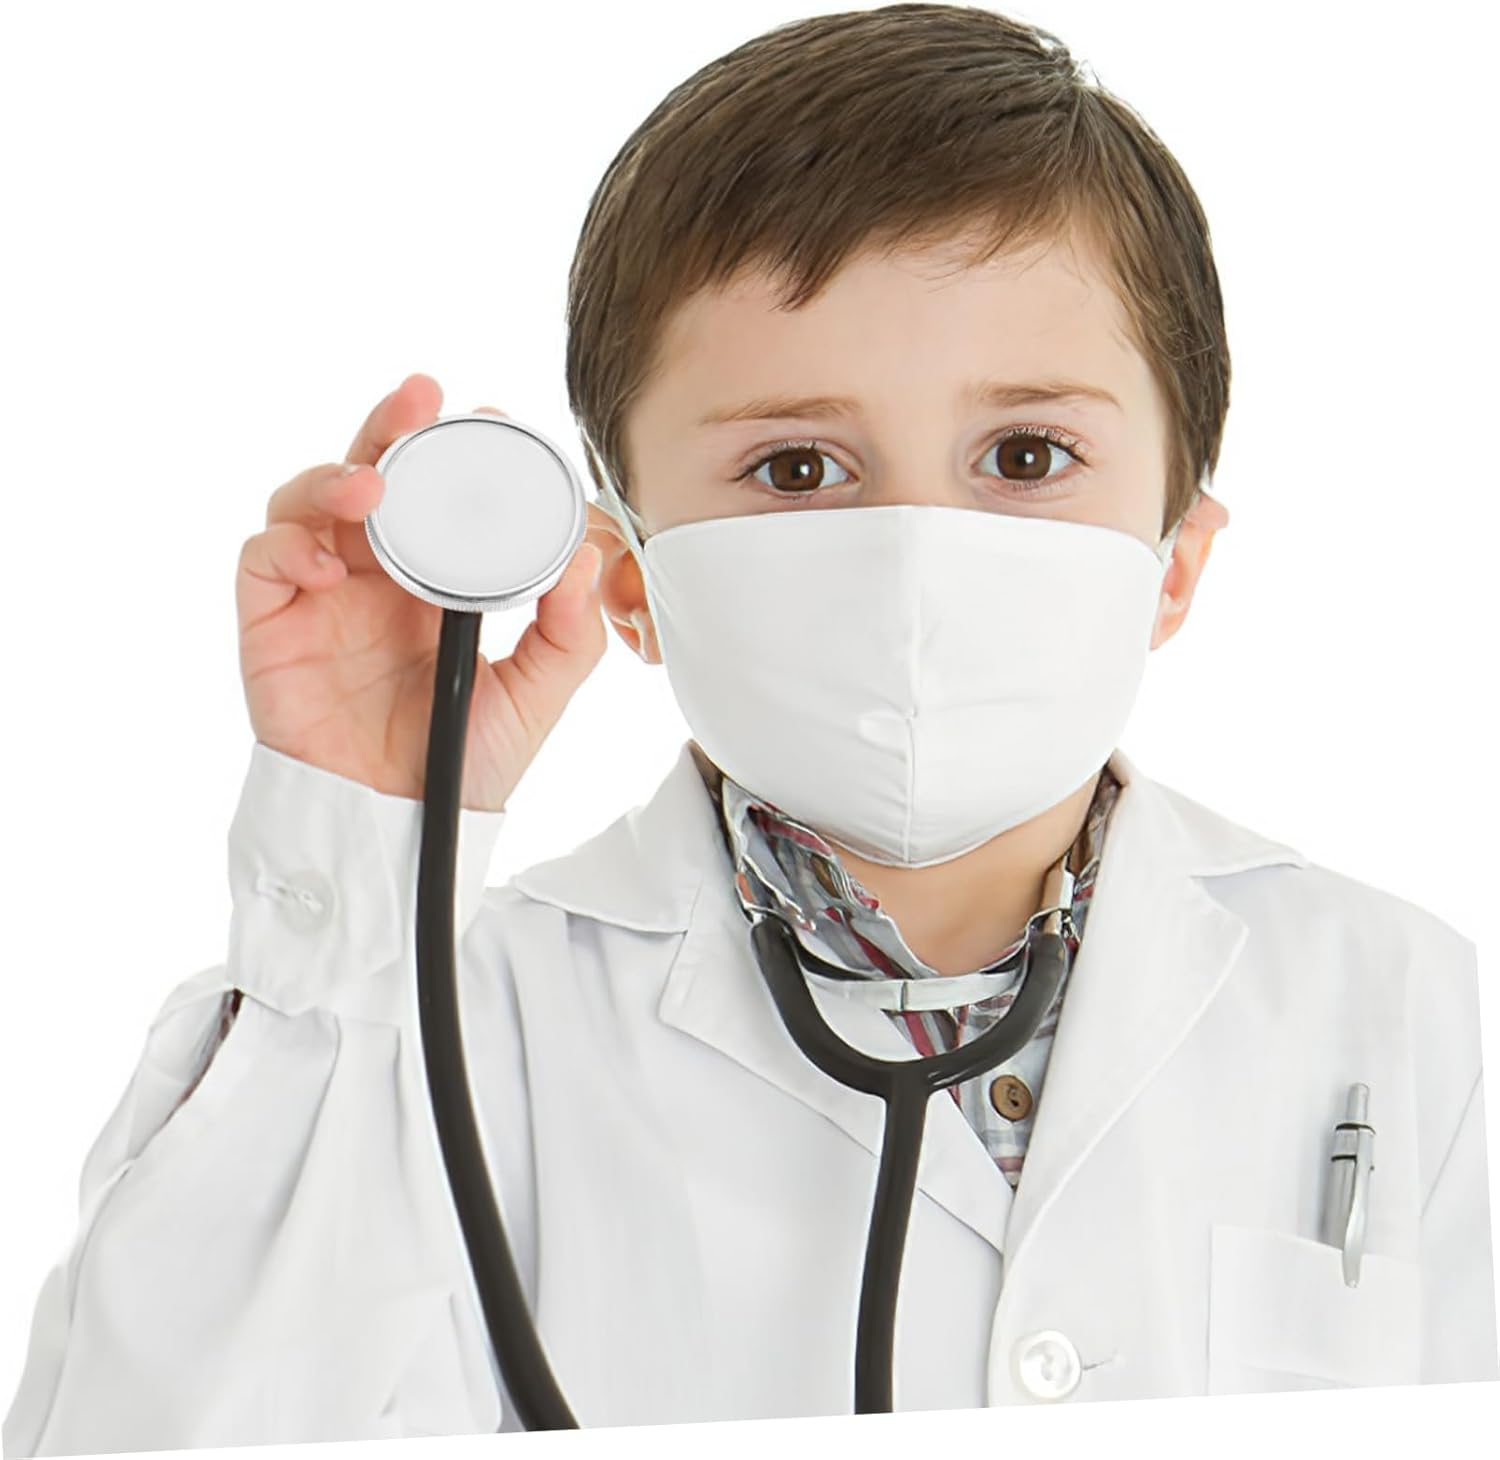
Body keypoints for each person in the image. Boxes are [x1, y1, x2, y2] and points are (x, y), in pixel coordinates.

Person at [5, 4, 1495, 1452]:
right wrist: (362, 859)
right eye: (795, 469)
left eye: (1027, 454)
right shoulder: (430, 1026)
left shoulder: (1398, 998)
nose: (915, 556)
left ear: (1174, 564)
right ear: (629, 581)